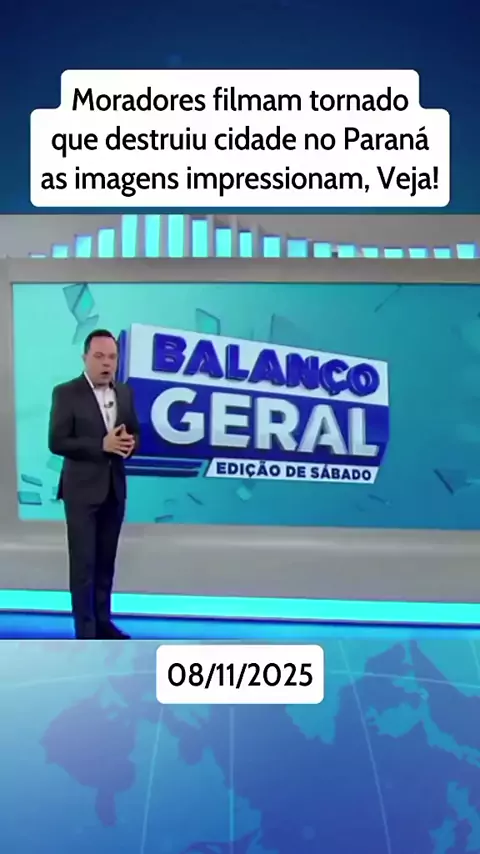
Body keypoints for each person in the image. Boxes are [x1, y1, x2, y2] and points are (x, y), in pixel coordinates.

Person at [48, 329, 140, 640]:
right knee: (84, 565)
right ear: (85, 358)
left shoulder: (125, 393)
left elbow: (135, 432)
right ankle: (85, 632)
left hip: (114, 489)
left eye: (112, 357)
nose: (106, 363)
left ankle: (103, 623)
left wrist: (130, 444)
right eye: (99, 356)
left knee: (105, 564)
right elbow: (57, 441)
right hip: (81, 493)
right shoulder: (66, 393)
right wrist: (101, 445)